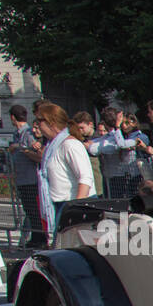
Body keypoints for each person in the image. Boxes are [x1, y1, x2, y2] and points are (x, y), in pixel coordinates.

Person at [33, 103, 93, 240]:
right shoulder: (52, 146)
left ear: (50, 123)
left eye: (39, 121)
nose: (37, 126)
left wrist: (77, 209)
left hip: (71, 204)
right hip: (59, 204)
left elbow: (85, 178)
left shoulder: (70, 144)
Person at [9, 104, 42, 245]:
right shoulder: (17, 134)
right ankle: (34, 238)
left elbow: (37, 151)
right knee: (29, 211)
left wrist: (20, 148)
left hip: (30, 178)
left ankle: (38, 238)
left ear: (12, 117)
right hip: (23, 178)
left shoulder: (27, 133)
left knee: (33, 212)